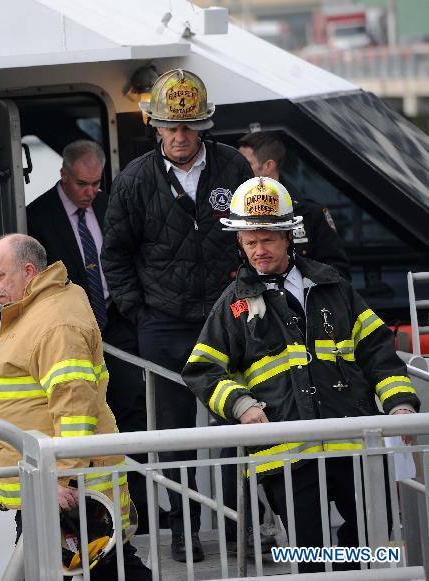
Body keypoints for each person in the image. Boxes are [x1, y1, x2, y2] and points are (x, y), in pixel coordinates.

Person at [181, 177, 420, 573]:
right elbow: (202, 369)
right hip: (287, 453)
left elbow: (377, 349)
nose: (259, 251)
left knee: (373, 541)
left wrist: (399, 404)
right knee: (307, 556)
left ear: (289, 236)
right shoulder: (234, 304)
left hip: (353, 443)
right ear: (239, 243)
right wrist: (241, 405)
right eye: (250, 241)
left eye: (267, 240)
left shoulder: (332, 285)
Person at [101, 68, 253, 562]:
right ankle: (183, 531)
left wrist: (249, 297)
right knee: (172, 436)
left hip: (228, 316)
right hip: (163, 323)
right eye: (172, 126)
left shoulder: (234, 169)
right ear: (156, 127)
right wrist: (139, 313)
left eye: (189, 126)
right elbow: (115, 257)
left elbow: (258, 236)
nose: (181, 136)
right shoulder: (133, 182)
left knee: (236, 423)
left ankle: (236, 527)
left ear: (204, 126)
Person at [0, 234, 151, 580]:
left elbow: (74, 408)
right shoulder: (30, 311)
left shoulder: (54, 321)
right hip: (44, 481)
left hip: (59, 488)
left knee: (103, 569)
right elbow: (17, 401)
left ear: (28, 271)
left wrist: (61, 480)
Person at [26, 139, 152, 532]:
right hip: (72, 333)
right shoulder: (37, 216)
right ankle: (94, 515)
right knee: (85, 418)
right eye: (83, 184)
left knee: (132, 411)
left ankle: (143, 509)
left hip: (115, 324)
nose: (91, 192)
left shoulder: (107, 204)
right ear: (63, 175)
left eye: (97, 184)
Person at [237, 131, 350, 279]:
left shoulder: (311, 214)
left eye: (245, 163)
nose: (238, 169)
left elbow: (338, 273)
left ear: (268, 166)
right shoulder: (232, 215)